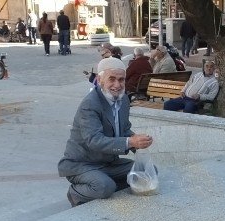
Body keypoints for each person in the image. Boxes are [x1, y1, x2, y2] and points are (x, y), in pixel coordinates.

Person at [59, 57, 154, 207]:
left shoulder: (124, 101)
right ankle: (75, 193)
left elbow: (124, 129)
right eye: (112, 79)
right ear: (100, 79)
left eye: (121, 80)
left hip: (109, 163)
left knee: (149, 171)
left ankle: (108, 181)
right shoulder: (90, 104)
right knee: (105, 187)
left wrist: (137, 141)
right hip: (82, 165)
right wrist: (130, 142)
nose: (117, 85)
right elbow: (94, 140)